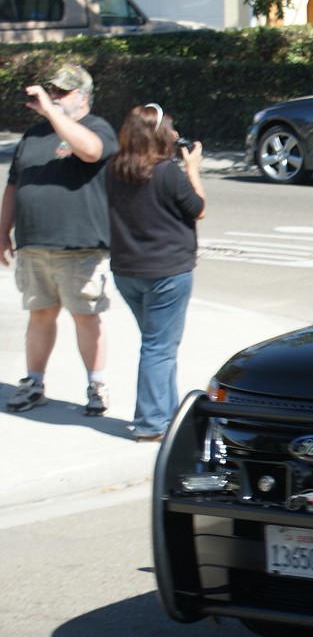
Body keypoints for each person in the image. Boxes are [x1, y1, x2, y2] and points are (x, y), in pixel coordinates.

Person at [0, 63, 118, 415]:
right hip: (34, 244)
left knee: (86, 317)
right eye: (52, 91)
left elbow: (92, 152)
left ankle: (96, 385)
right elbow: (14, 185)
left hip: (78, 246)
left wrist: (51, 112)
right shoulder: (35, 134)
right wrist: (2, 231)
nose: (53, 97)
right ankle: (34, 382)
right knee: (40, 315)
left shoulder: (96, 127)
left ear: (83, 97)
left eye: (61, 92)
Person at [106, 103, 206, 441]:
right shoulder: (167, 172)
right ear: (160, 134)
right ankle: (151, 424)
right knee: (158, 347)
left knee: (158, 344)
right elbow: (198, 209)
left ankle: (168, 416)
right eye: (171, 128)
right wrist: (192, 168)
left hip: (127, 271)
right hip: (166, 272)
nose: (176, 134)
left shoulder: (114, 168)